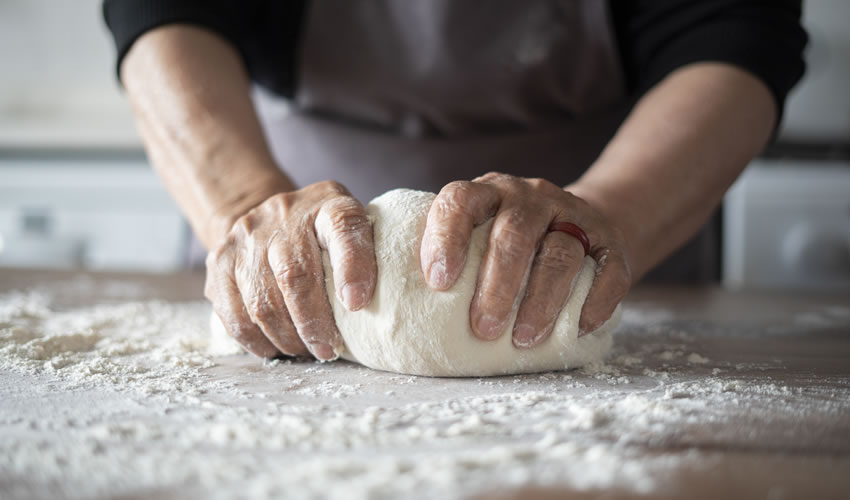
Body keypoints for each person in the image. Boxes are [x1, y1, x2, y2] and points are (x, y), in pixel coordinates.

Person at [103, 1, 807, 361]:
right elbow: (166, 10)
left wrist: (609, 215)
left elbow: (735, 35)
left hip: (612, 208)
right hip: (284, 205)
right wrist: (240, 202)